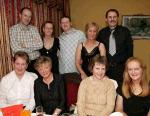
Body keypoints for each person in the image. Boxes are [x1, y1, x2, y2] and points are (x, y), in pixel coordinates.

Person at [97, 9, 133, 87]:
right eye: (110, 17)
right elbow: (97, 52)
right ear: (106, 19)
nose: (112, 19)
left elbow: (130, 52)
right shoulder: (101, 33)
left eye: (114, 17)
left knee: (122, 93)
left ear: (117, 18)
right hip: (106, 70)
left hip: (122, 69)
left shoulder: (125, 31)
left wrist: (128, 68)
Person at [9, 7, 43, 72]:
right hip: (22, 64)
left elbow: (40, 45)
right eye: (25, 15)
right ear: (20, 15)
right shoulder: (13, 29)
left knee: (38, 81)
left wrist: (25, 45)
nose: (27, 18)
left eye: (29, 17)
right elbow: (16, 49)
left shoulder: (34, 29)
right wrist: (33, 48)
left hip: (37, 63)